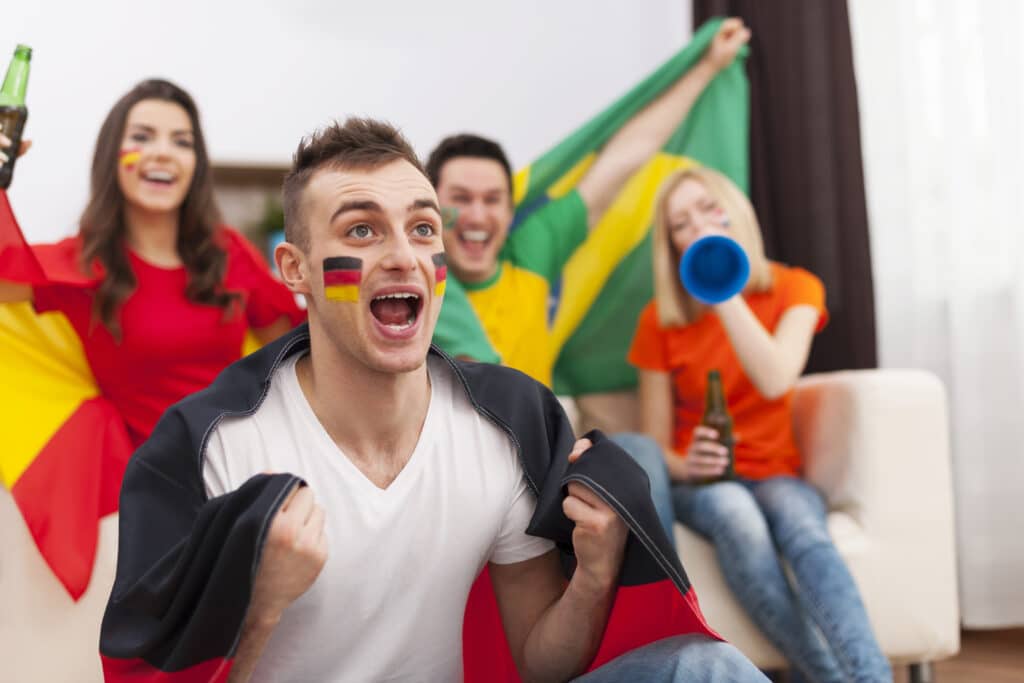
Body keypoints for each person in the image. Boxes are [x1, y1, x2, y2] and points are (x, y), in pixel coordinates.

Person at [99, 117, 768, 683]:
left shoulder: (503, 426)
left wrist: (593, 576)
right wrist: (261, 602)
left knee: (710, 667)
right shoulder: (213, 444)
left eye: (422, 229)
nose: (405, 256)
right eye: (361, 231)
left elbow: (539, 658)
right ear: (295, 270)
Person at [0, 78, 304, 606]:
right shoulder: (84, 264)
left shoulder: (227, 253)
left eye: (181, 141)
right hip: (144, 509)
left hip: (247, 486)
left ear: (196, 165)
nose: (163, 151)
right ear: (114, 156)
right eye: (144, 135)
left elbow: (300, 356)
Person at [626, 165, 892, 682]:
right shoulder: (659, 320)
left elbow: (775, 379)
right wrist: (691, 462)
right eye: (681, 223)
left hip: (776, 473)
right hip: (706, 485)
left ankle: (870, 676)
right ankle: (829, 677)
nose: (698, 227)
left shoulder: (795, 288)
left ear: (736, 212)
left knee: (804, 529)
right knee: (736, 513)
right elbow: (655, 449)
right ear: (672, 245)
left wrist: (724, 288)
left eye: (708, 209)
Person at [427, 17, 749, 390]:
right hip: (459, 440)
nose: (478, 215)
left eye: (493, 199)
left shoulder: (531, 250)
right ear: (431, 207)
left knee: (631, 449)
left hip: (539, 441)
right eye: (461, 199)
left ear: (510, 210)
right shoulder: (417, 283)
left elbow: (626, 158)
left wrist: (708, 66)